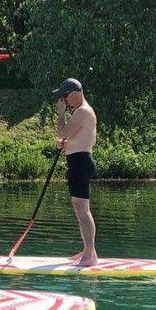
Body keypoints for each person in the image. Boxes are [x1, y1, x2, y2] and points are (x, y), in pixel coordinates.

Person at [53, 78, 98, 267]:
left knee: (83, 209)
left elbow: (62, 132)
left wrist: (61, 114)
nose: (64, 100)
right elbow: (70, 138)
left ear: (75, 93)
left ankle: (90, 254)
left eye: (65, 96)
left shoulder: (82, 112)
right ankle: (88, 250)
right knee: (79, 208)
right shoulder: (81, 113)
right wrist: (67, 144)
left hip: (81, 162)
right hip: (77, 161)